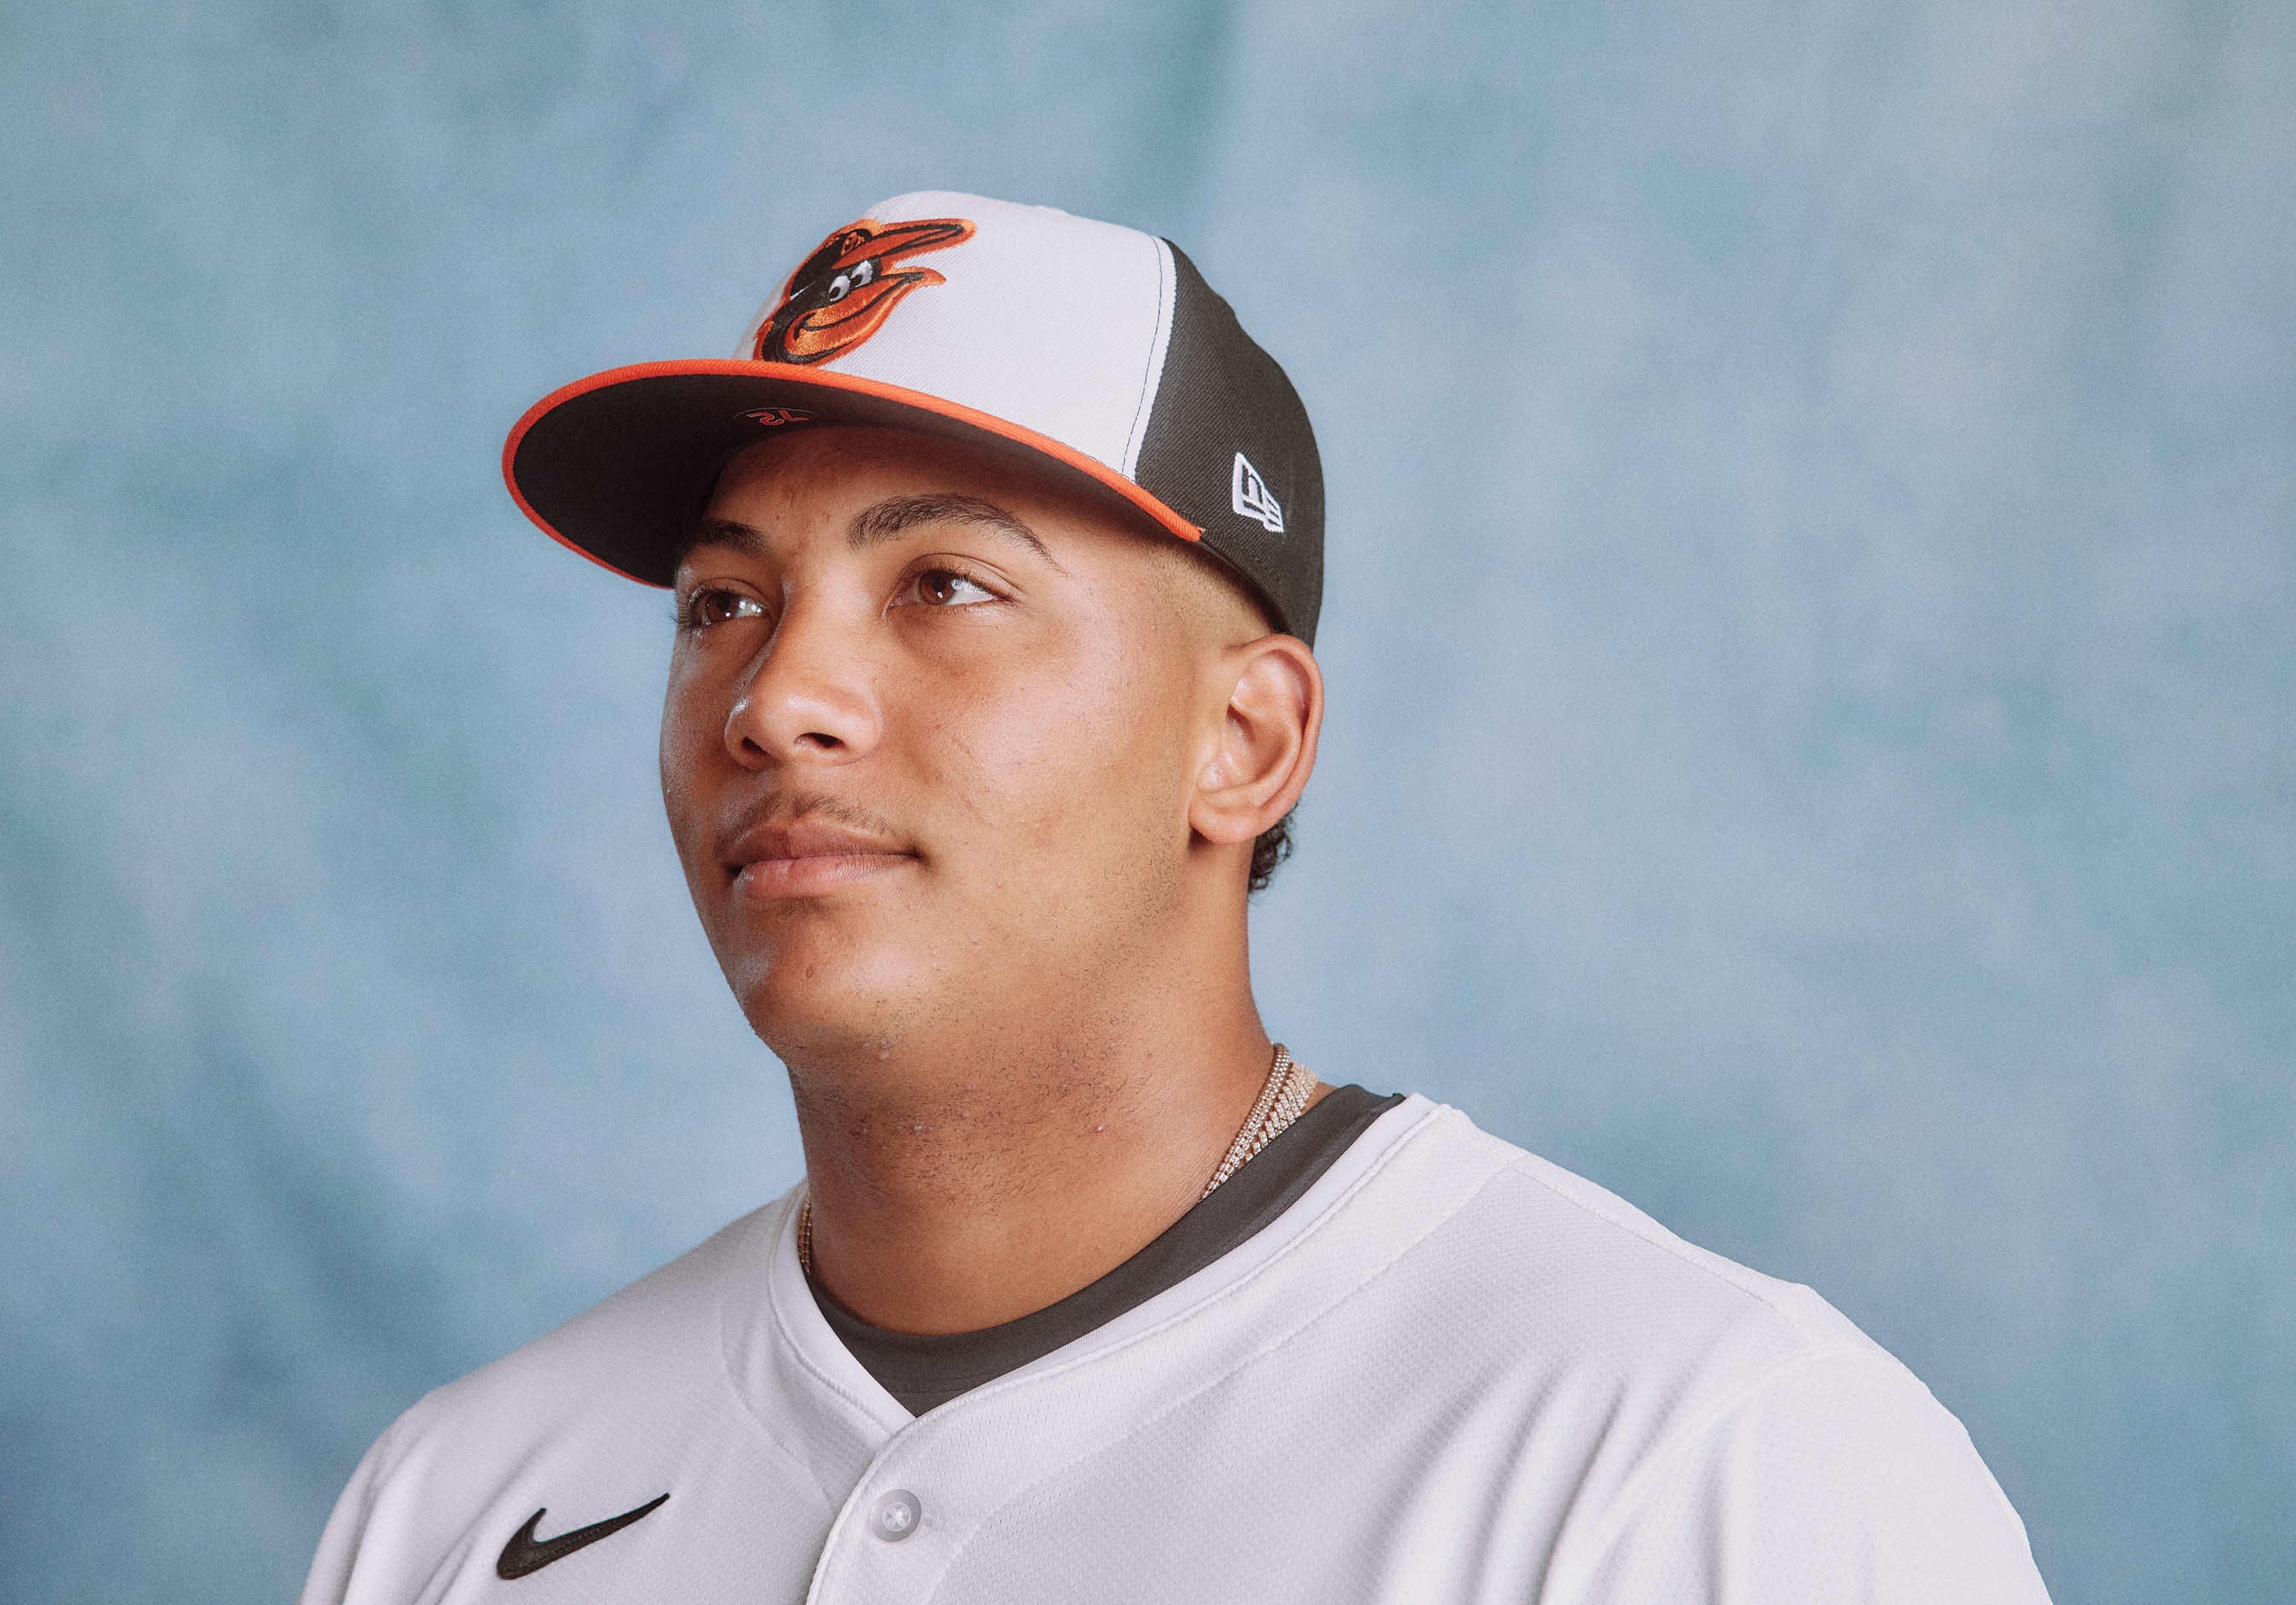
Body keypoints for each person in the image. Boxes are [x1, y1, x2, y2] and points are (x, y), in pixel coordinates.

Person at [301, 192, 2051, 1602]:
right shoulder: (464, 1495)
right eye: (722, 605)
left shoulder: (1694, 1458)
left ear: (1244, 741)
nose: (777, 699)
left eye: (945, 584)